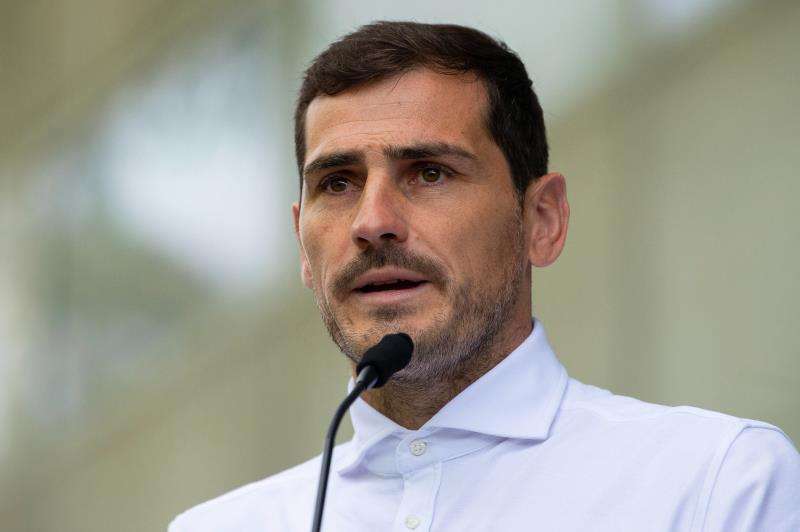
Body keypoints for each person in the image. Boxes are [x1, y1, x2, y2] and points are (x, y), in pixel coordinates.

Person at [169, 21, 800, 531]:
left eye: (430, 172)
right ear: (303, 248)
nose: (373, 222)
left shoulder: (715, 483)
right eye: (338, 183)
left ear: (541, 220)